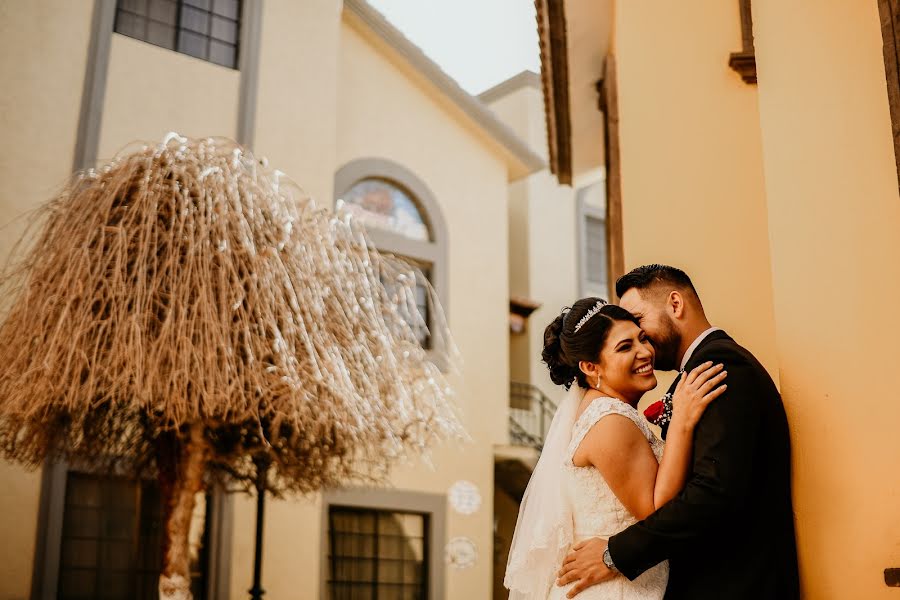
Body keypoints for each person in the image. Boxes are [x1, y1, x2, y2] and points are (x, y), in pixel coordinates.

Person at [556, 265, 799, 599]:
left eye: (640, 323)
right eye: (626, 343)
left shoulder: (720, 368)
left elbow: (712, 494)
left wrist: (615, 553)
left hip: (736, 585)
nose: (644, 344)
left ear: (675, 304)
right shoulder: (694, 375)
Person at [504, 298, 727, 599]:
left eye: (642, 338)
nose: (645, 352)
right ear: (590, 367)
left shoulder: (602, 410)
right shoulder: (609, 419)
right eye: (625, 347)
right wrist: (682, 424)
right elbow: (653, 509)